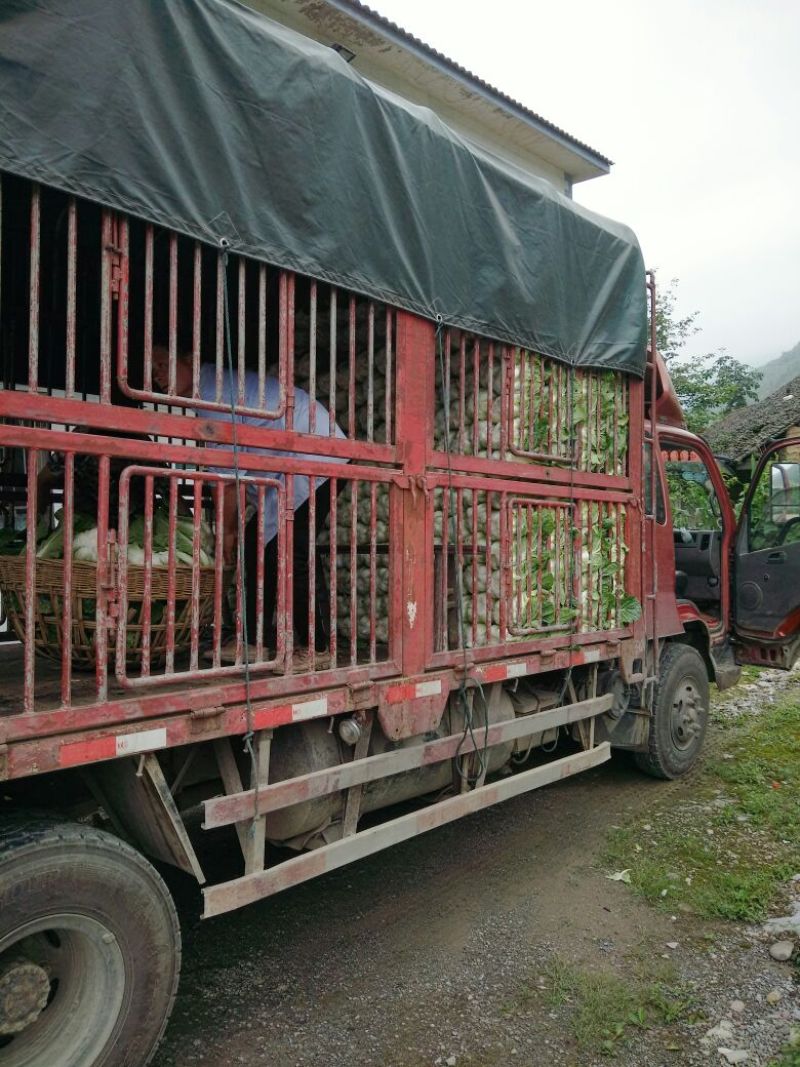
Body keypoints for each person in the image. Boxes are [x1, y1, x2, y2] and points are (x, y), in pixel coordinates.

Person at [151, 346, 345, 667]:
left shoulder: (212, 393)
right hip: (294, 464)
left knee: (291, 552)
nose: (157, 375)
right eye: (152, 369)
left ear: (189, 360)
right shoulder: (211, 390)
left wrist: (226, 533)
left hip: (314, 456)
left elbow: (226, 478)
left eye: (161, 363)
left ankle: (318, 648)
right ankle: (255, 642)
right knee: (259, 549)